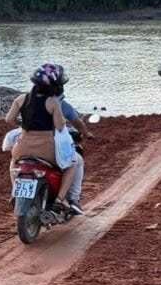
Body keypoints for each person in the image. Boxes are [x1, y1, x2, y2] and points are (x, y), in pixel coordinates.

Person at [5, 63, 82, 215]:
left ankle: (16, 192)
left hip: (21, 148)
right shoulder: (52, 102)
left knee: (14, 161)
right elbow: (60, 126)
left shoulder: (21, 99)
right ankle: (60, 199)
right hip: (46, 150)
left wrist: (24, 125)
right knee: (73, 163)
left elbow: (9, 119)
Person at [58, 94, 94, 211]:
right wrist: (87, 134)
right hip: (52, 147)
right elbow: (78, 124)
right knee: (76, 162)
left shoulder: (27, 102)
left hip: (27, 147)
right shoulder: (60, 105)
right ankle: (73, 198)